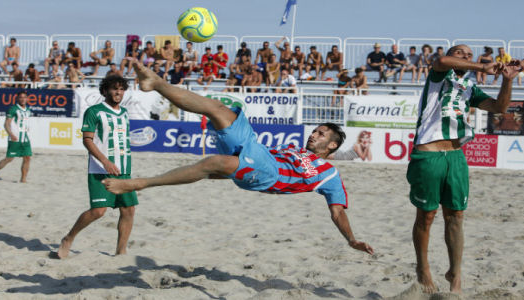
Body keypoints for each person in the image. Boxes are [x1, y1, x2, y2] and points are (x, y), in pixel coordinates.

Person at [102, 61, 374, 257]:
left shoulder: (330, 175)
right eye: (315, 130)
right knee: (216, 109)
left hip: (270, 174)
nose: (314, 135)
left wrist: (351, 240)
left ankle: (139, 183)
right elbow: (243, 165)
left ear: (333, 145)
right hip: (260, 151)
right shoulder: (295, 149)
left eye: (321, 134)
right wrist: (225, 174)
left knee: (213, 163)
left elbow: (337, 211)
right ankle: (157, 83)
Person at [407, 44, 521, 294]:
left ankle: (455, 275)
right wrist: (481, 66)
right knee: (426, 216)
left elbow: (499, 108)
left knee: (456, 216)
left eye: (470, 55)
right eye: (460, 53)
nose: (466, 57)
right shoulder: (439, 75)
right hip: (429, 154)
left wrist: (507, 80)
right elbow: (441, 61)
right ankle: (423, 268)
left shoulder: (470, 87)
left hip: (456, 156)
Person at [56, 75, 138, 259]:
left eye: (122, 89)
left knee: (129, 210)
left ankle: (121, 251)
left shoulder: (124, 113)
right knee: (98, 211)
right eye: (114, 88)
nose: (118, 92)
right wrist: (105, 161)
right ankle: (68, 238)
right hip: (100, 170)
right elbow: (87, 140)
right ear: (105, 91)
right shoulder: (94, 111)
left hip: (123, 169)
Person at [0, 91, 32, 183]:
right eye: (21, 97)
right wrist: (11, 134)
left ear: (27, 99)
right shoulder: (13, 109)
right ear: (17, 99)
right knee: (9, 159)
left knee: (27, 158)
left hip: (25, 138)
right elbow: (6, 123)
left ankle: (23, 179)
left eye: (25, 97)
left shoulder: (28, 110)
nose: (23, 99)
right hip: (15, 137)